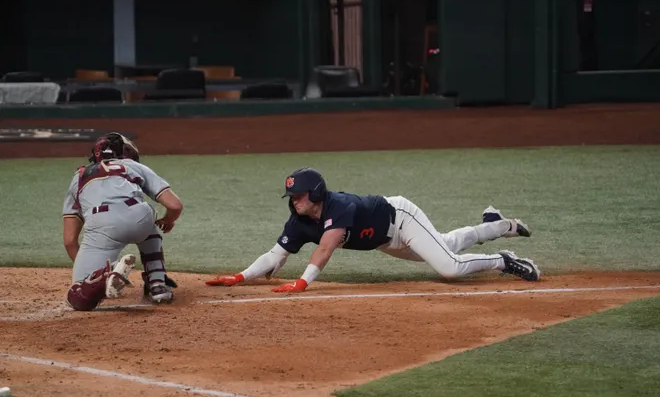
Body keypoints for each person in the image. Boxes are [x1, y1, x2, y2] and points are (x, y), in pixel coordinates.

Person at [206, 167, 540, 292]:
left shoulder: (338, 207)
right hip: (384, 240)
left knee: (449, 267)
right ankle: (493, 225)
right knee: (447, 244)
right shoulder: (298, 221)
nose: (294, 201)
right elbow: (275, 255)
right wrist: (240, 277)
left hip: (401, 217)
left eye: (299, 195)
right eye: (291, 196)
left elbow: (326, 248)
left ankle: (503, 259)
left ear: (317, 193)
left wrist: (303, 282)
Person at [62, 132, 183, 311]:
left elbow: (70, 240)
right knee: (148, 219)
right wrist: (168, 220)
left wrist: (89, 271)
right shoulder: (131, 166)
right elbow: (175, 205)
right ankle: (157, 284)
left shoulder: (78, 178)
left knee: (79, 297)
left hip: (101, 226)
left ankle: (103, 278)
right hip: (139, 216)